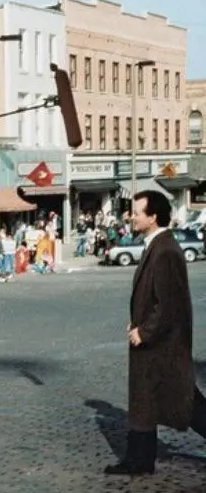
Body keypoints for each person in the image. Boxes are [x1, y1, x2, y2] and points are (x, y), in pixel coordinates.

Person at [104, 190, 206, 476]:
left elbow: (169, 303)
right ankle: (139, 461)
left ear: (153, 216)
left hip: (163, 346)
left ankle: (139, 460)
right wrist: (136, 323)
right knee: (145, 402)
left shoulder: (165, 250)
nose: (131, 216)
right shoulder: (156, 246)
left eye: (137, 212)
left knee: (187, 403)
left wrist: (145, 332)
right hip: (154, 345)